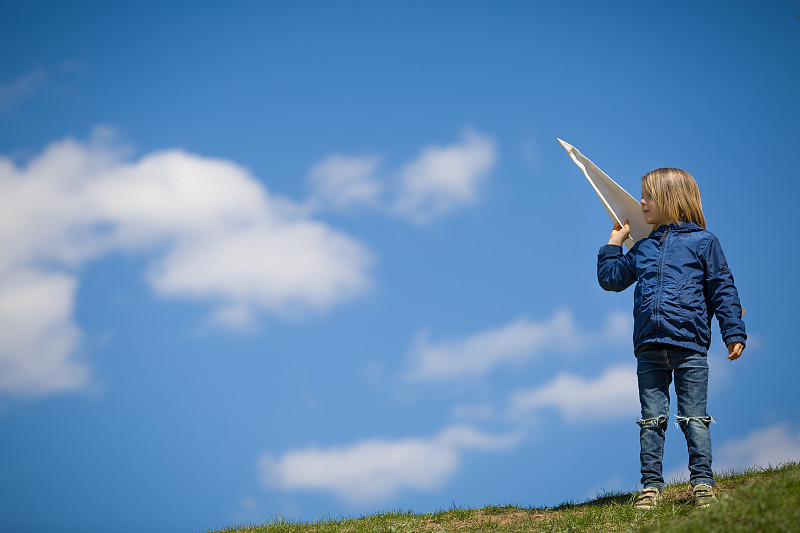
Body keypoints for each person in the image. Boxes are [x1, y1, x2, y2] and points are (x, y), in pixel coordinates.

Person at [596, 168, 746, 510]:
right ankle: (651, 487)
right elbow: (612, 279)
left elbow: (723, 290)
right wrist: (613, 245)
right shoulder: (645, 247)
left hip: (689, 346)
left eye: (648, 195)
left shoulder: (705, 243)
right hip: (649, 347)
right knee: (652, 420)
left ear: (672, 199)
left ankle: (702, 484)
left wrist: (733, 331)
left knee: (694, 418)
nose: (642, 202)